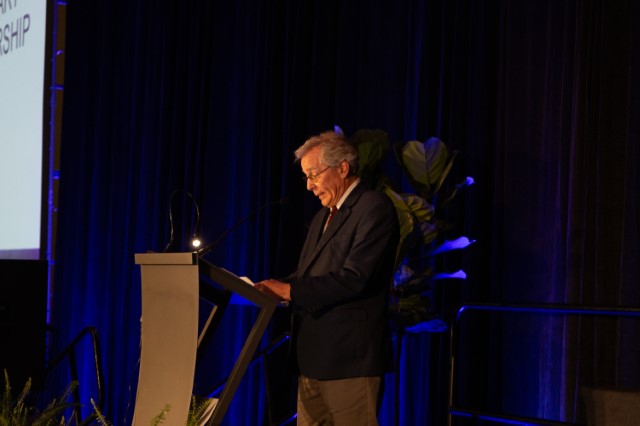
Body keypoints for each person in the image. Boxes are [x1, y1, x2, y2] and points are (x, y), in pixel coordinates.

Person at [255, 130, 399, 425]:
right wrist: (269, 289)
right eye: (306, 177)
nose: (309, 185)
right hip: (312, 360)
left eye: (313, 175)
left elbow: (355, 278)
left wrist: (290, 291)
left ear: (342, 168)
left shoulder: (374, 208)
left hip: (349, 361)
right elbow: (306, 274)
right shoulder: (324, 215)